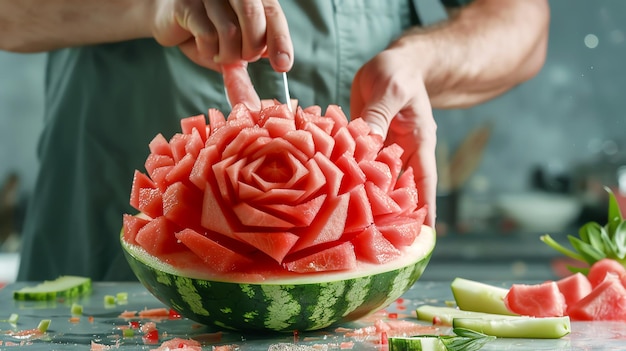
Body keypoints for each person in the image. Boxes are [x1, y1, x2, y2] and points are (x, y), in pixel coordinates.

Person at [0, 0, 549, 281]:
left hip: (346, 291)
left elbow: (524, 22)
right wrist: (151, 6)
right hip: (98, 267)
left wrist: (422, 60)